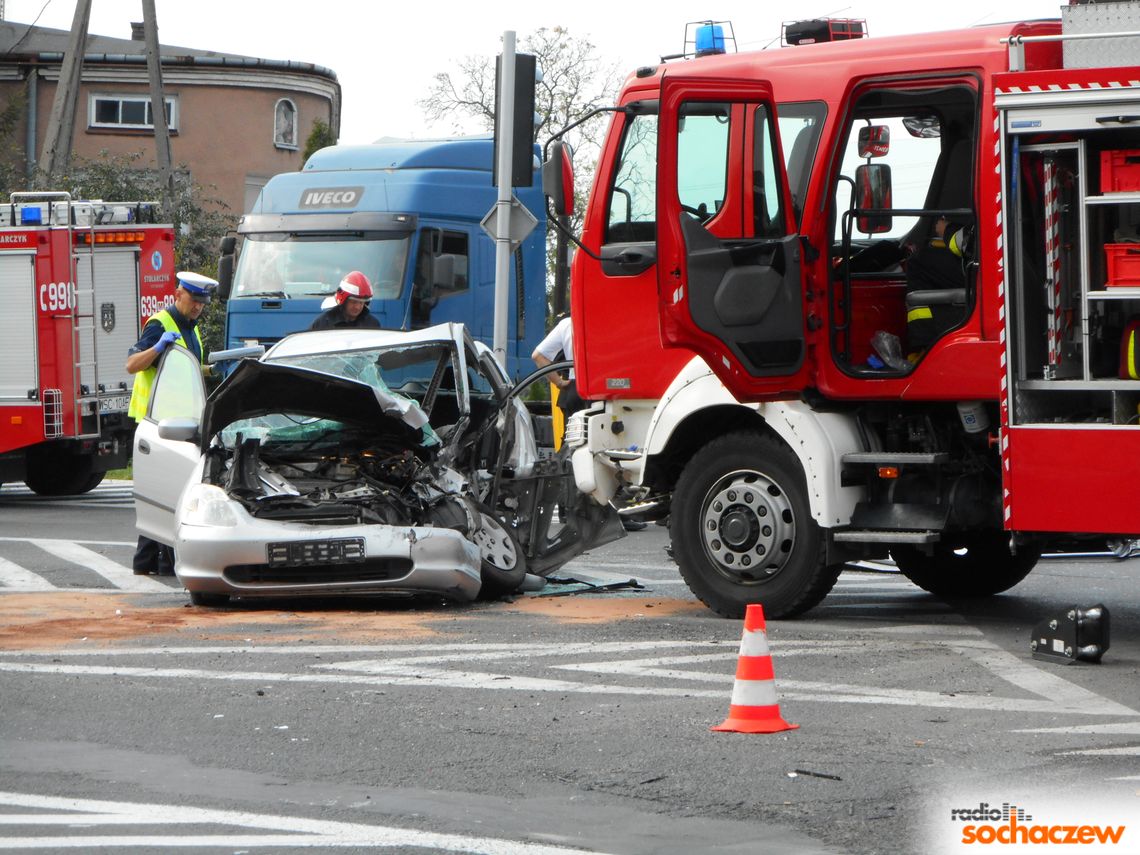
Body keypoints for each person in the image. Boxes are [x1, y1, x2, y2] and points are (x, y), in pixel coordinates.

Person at [126, 271, 217, 575]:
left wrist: (213, 369)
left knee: (171, 492)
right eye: (193, 301)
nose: (198, 308)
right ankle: (156, 561)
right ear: (178, 294)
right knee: (167, 492)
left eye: (202, 304)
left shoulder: (192, 329)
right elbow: (132, 364)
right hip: (155, 423)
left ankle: (153, 561)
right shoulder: (160, 325)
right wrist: (158, 347)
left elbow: (187, 370)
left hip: (179, 423)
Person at [533, 316, 647, 531]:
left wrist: (559, 382)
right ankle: (610, 511)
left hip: (574, 392)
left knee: (573, 451)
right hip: (600, 388)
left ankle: (571, 510)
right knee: (605, 450)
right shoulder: (606, 320)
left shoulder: (568, 324)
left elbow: (538, 356)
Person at [310, 271, 381, 330]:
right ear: (343, 300)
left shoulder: (372, 324)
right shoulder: (323, 323)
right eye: (354, 302)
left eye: (361, 302)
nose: (358, 307)